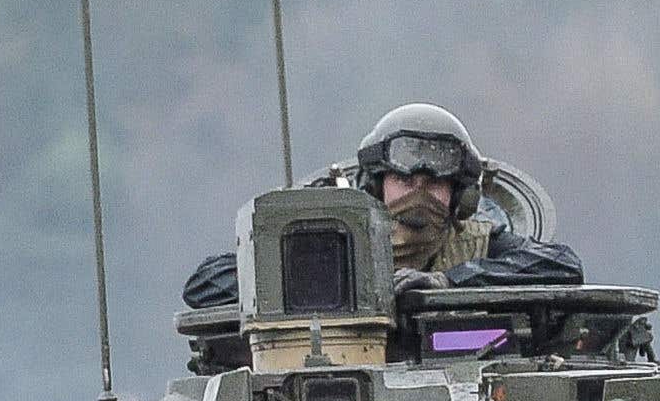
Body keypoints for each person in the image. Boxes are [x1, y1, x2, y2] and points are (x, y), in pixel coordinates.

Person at [183, 103, 581, 311]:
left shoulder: (479, 244)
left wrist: (451, 282)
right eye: (405, 180)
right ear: (376, 186)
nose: (419, 194)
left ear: (460, 196)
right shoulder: (330, 244)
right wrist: (332, 281)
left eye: (435, 183)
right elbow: (204, 284)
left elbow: (562, 266)